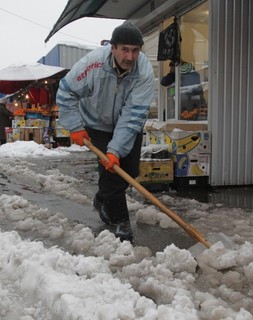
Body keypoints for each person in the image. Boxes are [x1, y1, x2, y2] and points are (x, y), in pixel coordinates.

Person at [56, 21, 154, 242]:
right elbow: (65, 92)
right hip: (97, 123)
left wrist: (116, 150)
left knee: (129, 170)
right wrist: (75, 127)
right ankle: (120, 222)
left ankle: (102, 199)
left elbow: (133, 114)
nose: (130, 56)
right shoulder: (92, 65)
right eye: (125, 50)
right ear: (113, 47)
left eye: (135, 50)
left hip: (128, 124)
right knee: (112, 174)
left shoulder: (144, 72)